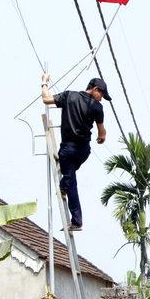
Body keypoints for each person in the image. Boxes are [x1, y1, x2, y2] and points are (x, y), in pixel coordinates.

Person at [41, 75, 109, 231]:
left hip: (68, 150)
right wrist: (102, 137)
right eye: (102, 94)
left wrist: (44, 82)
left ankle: (77, 221)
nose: (102, 98)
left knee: (70, 181)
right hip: (83, 151)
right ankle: (64, 186)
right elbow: (102, 132)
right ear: (95, 89)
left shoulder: (69, 96)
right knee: (69, 178)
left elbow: (46, 99)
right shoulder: (97, 107)